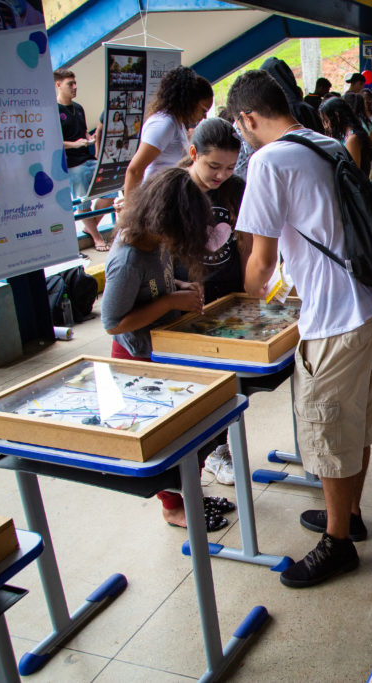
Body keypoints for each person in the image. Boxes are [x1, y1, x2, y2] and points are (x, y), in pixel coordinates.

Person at [228, 70, 372, 588]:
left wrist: (245, 300)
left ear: (249, 118)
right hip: (368, 305)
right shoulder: (323, 141)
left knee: (327, 433)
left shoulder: (269, 160)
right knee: (355, 425)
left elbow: (260, 260)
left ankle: (338, 544)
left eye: (240, 126)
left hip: (333, 323)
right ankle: (350, 514)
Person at [101, 168, 235, 531]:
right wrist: (170, 301)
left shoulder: (153, 241)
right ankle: (173, 507)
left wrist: (178, 287)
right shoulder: (128, 258)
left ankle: (190, 493)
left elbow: (154, 284)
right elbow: (113, 321)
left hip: (161, 348)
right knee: (163, 437)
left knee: (188, 430)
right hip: (137, 357)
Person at [174, 117, 250, 486]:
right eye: (213, 166)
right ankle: (202, 457)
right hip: (189, 300)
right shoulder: (174, 189)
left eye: (230, 167)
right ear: (193, 154)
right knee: (196, 387)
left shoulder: (236, 188)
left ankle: (220, 450)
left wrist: (251, 289)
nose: (221, 175)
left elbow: (247, 241)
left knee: (229, 384)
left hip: (230, 294)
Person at [123, 66, 212, 200]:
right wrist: (129, 213)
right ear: (189, 101)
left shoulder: (177, 123)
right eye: (203, 110)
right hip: (154, 200)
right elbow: (134, 170)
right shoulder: (165, 123)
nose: (204, 117)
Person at [54, 68, 114, 251]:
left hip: (88, 159)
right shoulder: (53, 110)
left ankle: (90, 227)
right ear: (58, 85)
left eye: (75, 83)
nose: (74, 87)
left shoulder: (78, 108)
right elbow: (53, 141)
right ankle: (96, 237)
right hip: (73, 164)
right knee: (83, 201)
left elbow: (83, 133)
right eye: (69, 84)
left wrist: (90, 139)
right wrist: (75, 144)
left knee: (111, 190)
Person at [321, 97, 372, 175]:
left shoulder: (352, 139)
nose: (325, 126)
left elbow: (353, 174)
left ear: (337, 116)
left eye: (326, 121)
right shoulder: (344, 135)